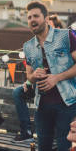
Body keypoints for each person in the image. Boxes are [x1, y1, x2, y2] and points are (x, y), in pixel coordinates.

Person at [17, 2, 76, 151]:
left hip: (67, 101)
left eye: (36, 16)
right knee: (43, 149)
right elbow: (29, 75)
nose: (32, 20)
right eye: (29, 17)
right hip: (42, 103)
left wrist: (56, 77)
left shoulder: (66, 36)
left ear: (46, 18)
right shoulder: (28, 46)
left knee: (66, 149)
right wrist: (34, 75)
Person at [12, 14, 64, 143]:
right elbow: (32, 69)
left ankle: (54, 138)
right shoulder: (34, 45)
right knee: (18, 92)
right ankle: (27, 131)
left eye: (50, 27)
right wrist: (29, 81)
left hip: (57, 86)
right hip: (38, 84)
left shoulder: (62, 44)